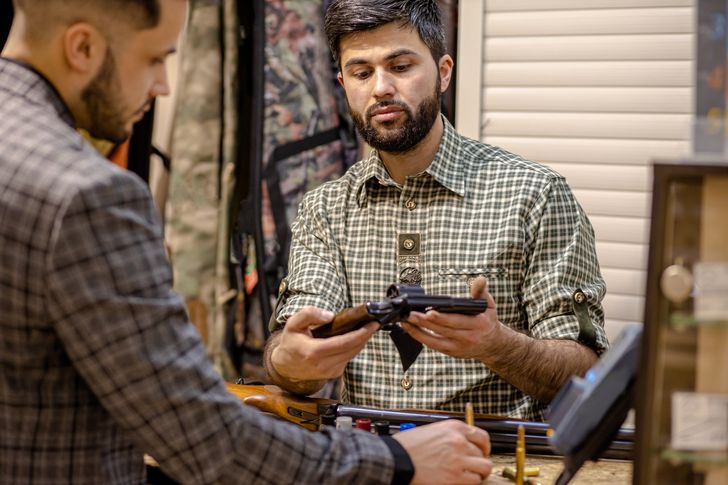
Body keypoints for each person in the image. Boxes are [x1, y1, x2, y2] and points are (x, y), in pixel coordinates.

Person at [0, 1, 494, 484]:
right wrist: (394, 460)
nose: (163, 85)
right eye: (154, 58)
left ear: (443, 71)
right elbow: (208, 439)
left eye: (401, 66)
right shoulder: (89, 195)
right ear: (83, 48)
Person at [265, 0, 609, 421]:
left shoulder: (535, 195)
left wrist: (496, 344)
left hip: (492, 453)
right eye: (362, 73)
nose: (380, 88)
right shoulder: (325, 210)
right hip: (371, 454)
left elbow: (588, 375)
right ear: (343, 83)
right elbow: (290, 352)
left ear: (444, 72)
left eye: (400, 66)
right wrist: (290, 362)